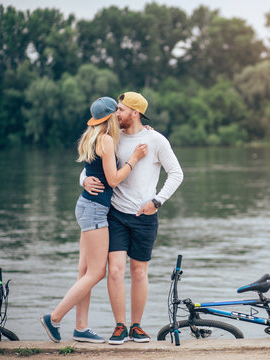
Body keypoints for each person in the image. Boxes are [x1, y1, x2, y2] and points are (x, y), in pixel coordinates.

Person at [40, 97, 148, 343]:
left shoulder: (92, 136)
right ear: (110, 116)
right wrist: (134, 159)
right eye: (117, 113)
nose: (120, 116)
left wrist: (144, 131)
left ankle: (81, 327)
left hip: (87, 206)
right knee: (98, 272)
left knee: (85, 271)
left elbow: (92, 172)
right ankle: (54, 318)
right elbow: (112, 180)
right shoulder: (107, 140)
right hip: (96, 210)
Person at [81, 92, 183, 345]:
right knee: (114, 272)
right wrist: (83, 180)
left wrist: (157, 201)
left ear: (135, 113)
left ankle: (136, 327)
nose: (116, 114)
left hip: (145, 216)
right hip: (114, 215)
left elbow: (176, 174)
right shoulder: (111, 138)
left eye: (121, 109)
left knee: (139, 273)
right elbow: (89, 167)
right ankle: (119, 327)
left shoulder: (156, 139)